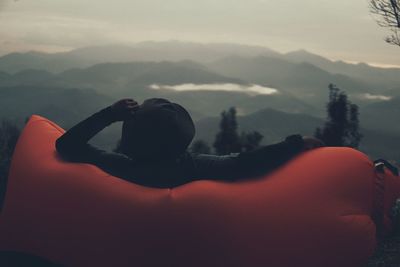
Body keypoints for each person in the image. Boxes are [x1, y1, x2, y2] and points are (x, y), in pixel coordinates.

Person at [55, 98, 324, 188]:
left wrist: (110, 114)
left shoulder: (117, 168)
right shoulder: (194, 168)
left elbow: (65, 145)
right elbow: (247, 163)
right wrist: (296, 144)